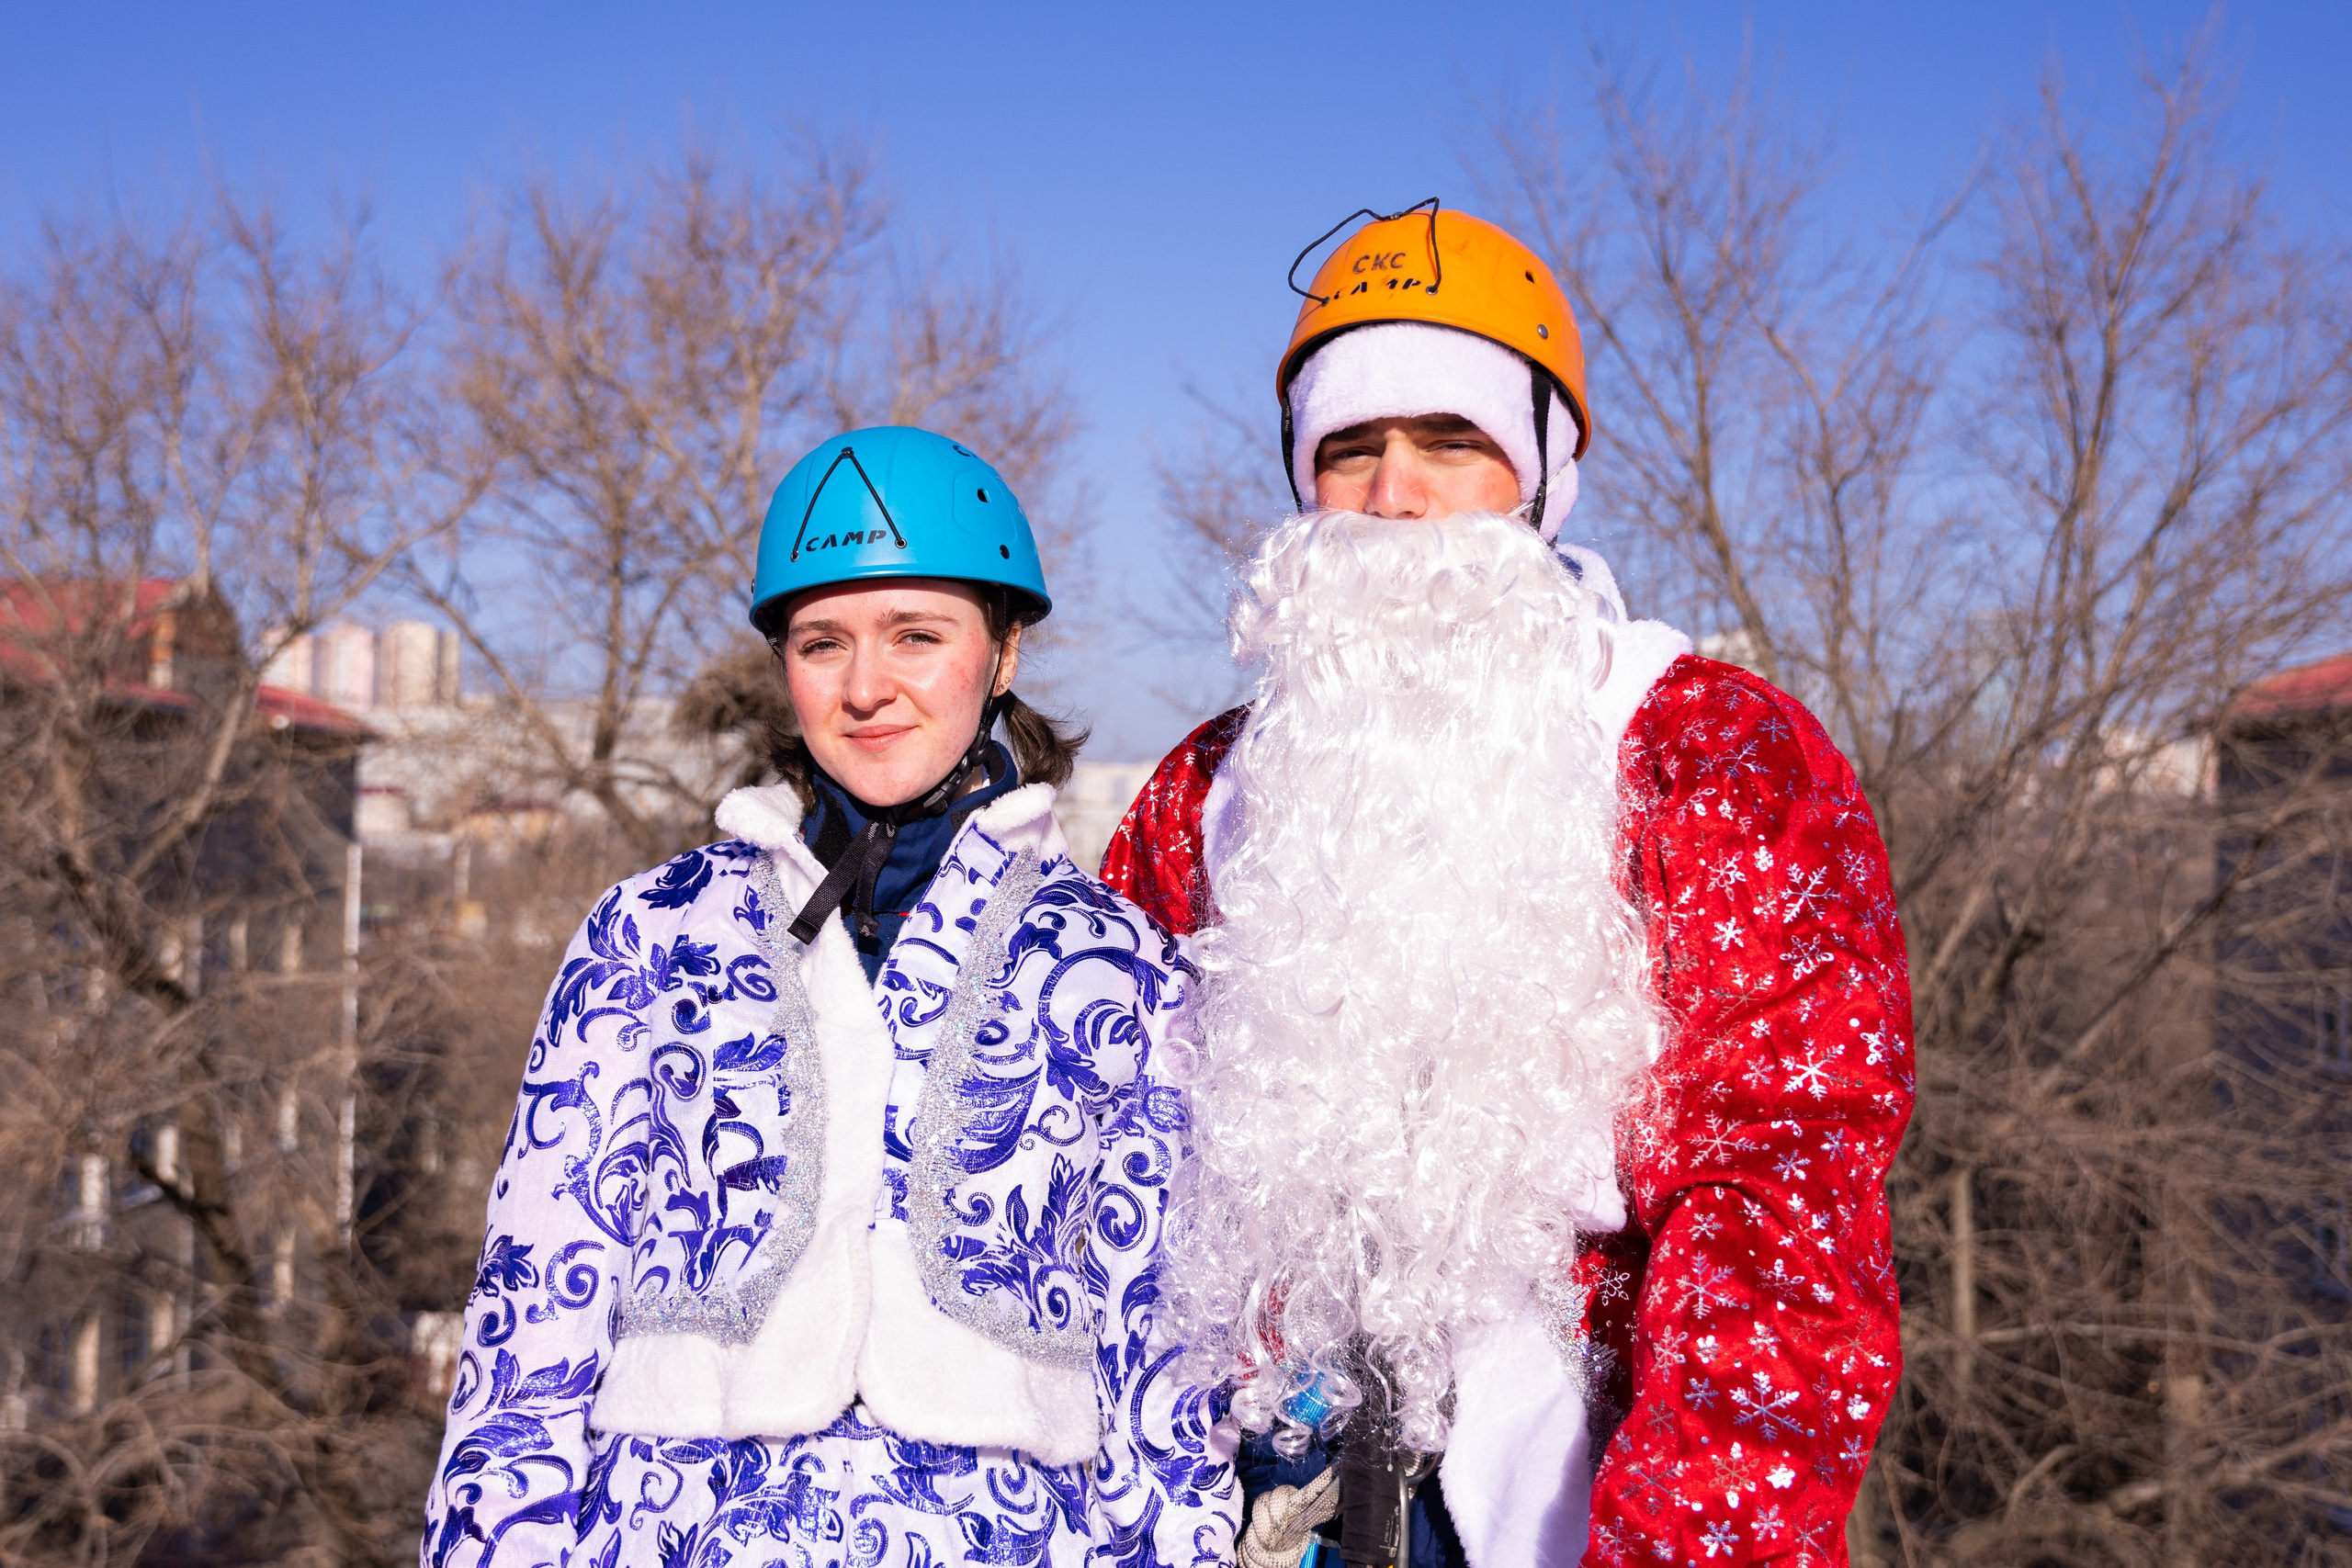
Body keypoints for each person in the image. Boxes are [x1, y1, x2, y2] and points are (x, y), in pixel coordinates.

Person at [1103, 206, 1914, 1567]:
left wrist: (1683, 1547)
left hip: (1570, 1497)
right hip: (1240, 1495)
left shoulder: (1709, 754)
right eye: (1348, 450)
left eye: (1449, 441)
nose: (1395, 492)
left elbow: (1784, 1200)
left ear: (1545, 471)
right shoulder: (1207, 788)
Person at [423, 427, 1238, 1568]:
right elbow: (528, 1326)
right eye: (822, 643)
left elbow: (1162, 1369)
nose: (865, 688)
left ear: (1002, 651)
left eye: (917, 635)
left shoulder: (1123, 972)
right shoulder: (649, 937)